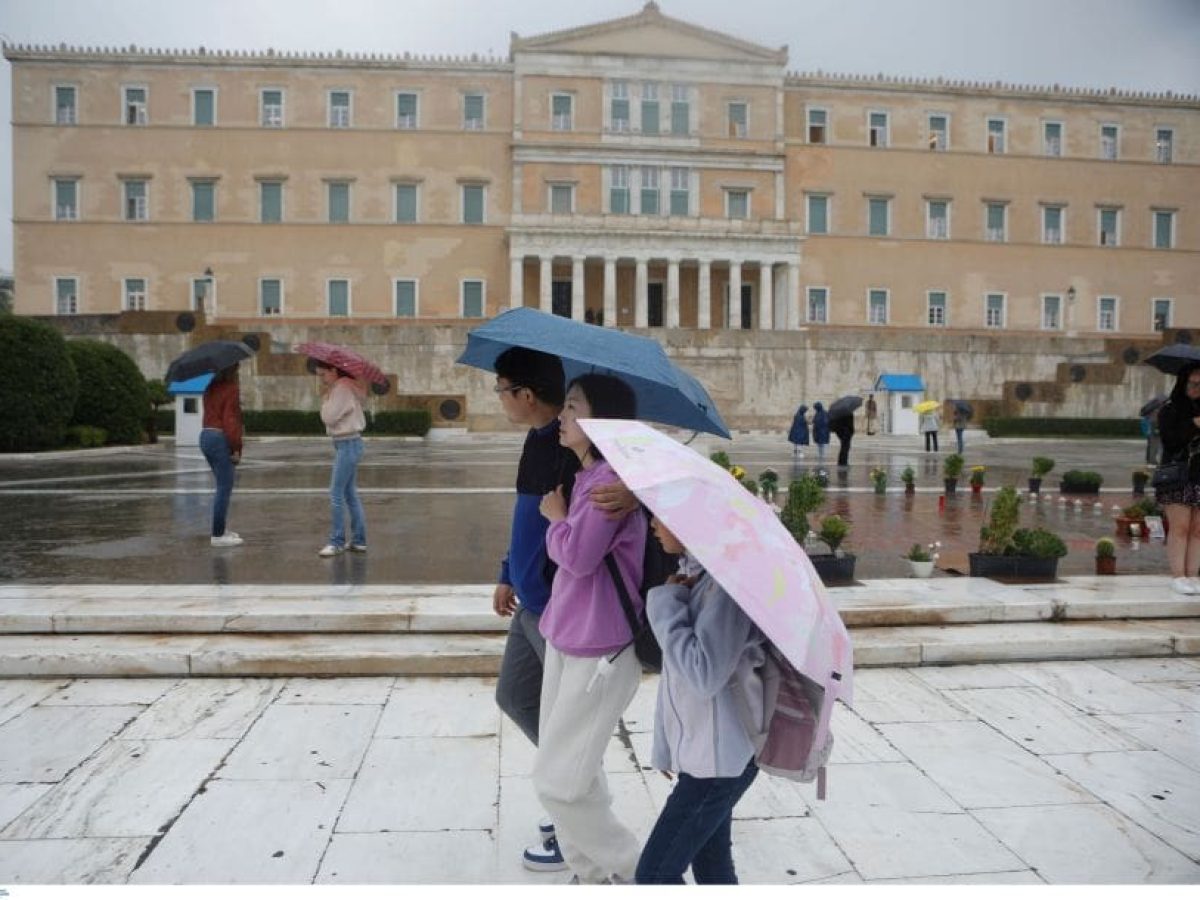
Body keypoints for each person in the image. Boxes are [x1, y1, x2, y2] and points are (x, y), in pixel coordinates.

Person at [490, 349, 637, 874]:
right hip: (546, 610)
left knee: (563, 764)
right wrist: (509, 568)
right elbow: (529, 517)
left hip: (579, 621)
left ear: (524, 393)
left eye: (501, 388)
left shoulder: (599, 472)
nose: (564, 418)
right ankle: (580, 834)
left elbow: (581, 543)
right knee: (519, 702)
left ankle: (624, 858)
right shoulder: (545, 443)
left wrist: (635, 492)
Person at [532, 373, 645, 885]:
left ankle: (639, 868)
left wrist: (555, 519)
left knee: (560, 782)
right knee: (579, 769)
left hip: (600, 648)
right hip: (566, 634)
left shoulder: (608, 486)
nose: (562, 415)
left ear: (600, 421)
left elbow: (577, 557)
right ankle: (590, 872)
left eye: (573, 407)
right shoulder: (592, 477)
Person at [635, 518, 766, 885]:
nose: (651, 525)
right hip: (708, 756)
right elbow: (676, 685)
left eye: (660, 517)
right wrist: (668, 747)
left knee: (654, 877)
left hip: (723, 762)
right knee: (712, 867)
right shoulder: (695, 577)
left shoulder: (725, 589)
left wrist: (664, 603)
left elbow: (703, 673)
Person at [314, 362, 368, 557]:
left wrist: (326, 400)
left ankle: (336, 541)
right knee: (349, 494)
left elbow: (328, 417)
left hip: (347, 444)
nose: (322, 379)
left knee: (336, 493)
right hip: (348, 443)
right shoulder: (345, 386)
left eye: (323, 374)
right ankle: (359, 540)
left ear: (333, 371)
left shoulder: (342, 388)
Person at [1154, 365, 1200, 595]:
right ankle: (1178, 575)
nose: (1195, 389)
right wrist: (1193, 426)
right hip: (1178, 476)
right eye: (1192, 383)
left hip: (1199, 474)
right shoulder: (1170, 410)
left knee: (1198, 529)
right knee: (1180, 527)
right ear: (1183, 383)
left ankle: (1193, 575)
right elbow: (1171, 442)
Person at [199, 364, 244, 547]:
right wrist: (236, 448)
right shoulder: (231, 388)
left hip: (205, 436)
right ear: (232, 371)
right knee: (224, 488)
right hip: (219, 438)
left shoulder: (209, 387)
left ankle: (221, 530)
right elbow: (230, 421)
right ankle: (218, 535)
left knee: (221, 486)